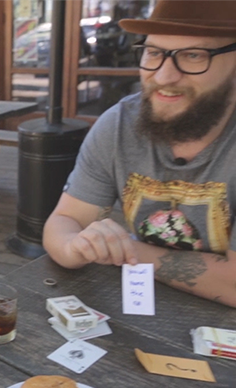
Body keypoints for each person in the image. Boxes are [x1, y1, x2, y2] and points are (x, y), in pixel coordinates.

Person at [43, 0, 236, 308]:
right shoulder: (118, 125)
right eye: (154, 53)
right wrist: (76, 247)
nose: (164, 76)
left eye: (193, 55)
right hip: (140, 310)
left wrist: (127, 250)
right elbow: (65, 220)